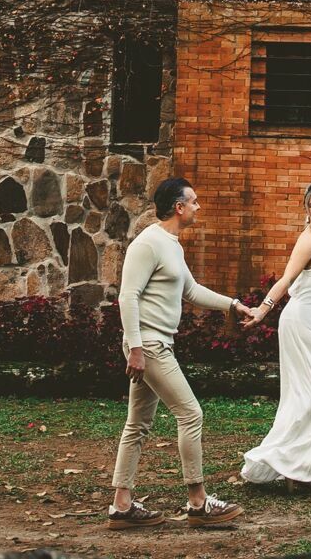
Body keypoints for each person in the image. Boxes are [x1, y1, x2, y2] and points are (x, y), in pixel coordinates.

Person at [106, 176, 252, 530]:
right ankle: (199, 503)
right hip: (149, 345)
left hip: (156, 343)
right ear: (179, 206)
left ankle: (121, 507)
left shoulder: (172, 245)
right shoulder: (148, 244)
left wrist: (232, 305)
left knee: (137, 424)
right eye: (194, 201)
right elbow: (127, 296)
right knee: (190, 414)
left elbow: (191, 290)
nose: (198, 207)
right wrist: (135, 348)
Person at [240, 180, 311, 490]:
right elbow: (286, 280)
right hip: (302, 322)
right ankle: (300, 464)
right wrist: (262, 310)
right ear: (306, 210)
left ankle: (304, 466)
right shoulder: (308, 240)